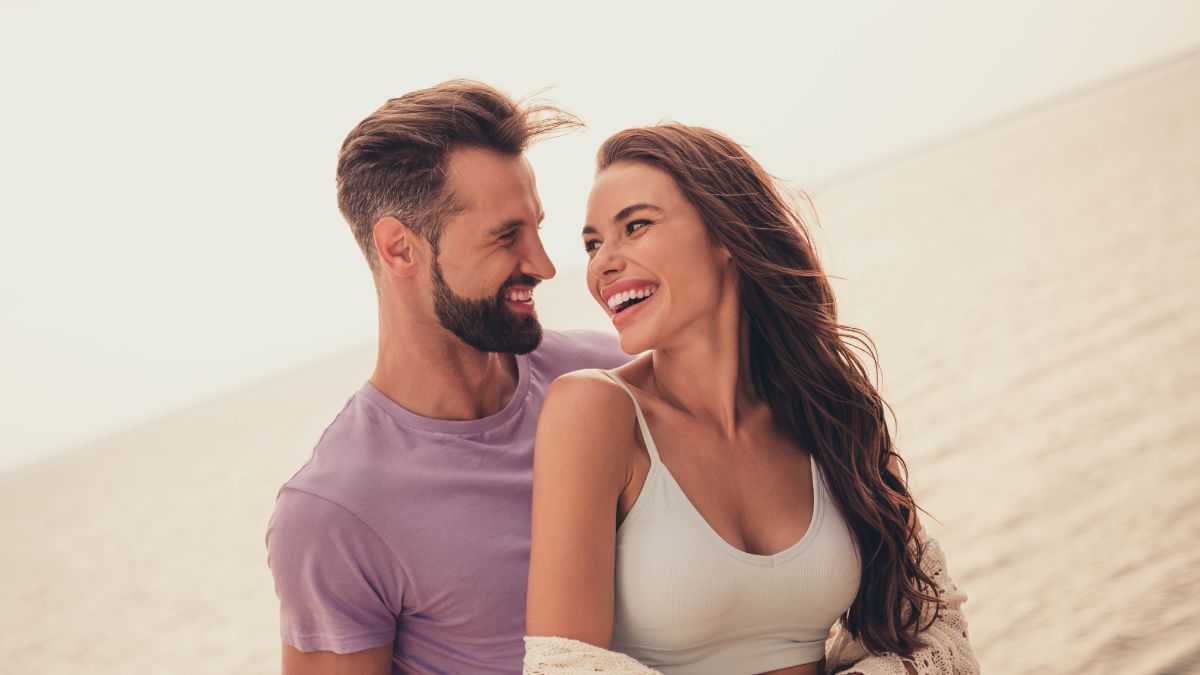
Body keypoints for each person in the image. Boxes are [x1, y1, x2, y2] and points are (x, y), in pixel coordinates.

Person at [524, 125, 979, 674]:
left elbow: (930, 623)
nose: (602, 265)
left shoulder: (828, 409)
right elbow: (565, 666)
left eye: (636, 226)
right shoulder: (595, 410)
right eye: (594, 244)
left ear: (725, 236)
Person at [265, 81, 629, 675]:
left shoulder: (612, 376)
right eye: (506, 235)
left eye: (536, 227)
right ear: (400, 249)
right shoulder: (333, 513)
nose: (543, 263)